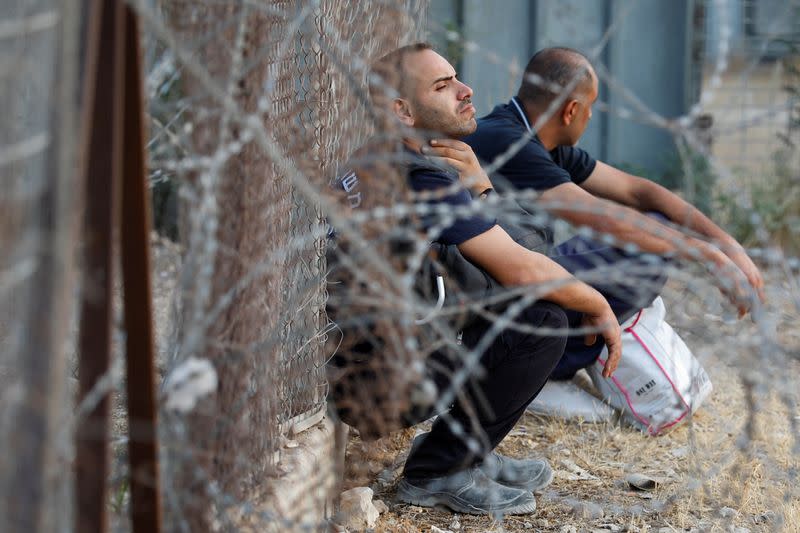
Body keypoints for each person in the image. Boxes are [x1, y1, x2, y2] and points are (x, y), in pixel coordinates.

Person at [326, 43, 622, 516]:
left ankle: (468, 450)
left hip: (371, 363)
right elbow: (526, 265)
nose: (465, 92)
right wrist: (598, 305)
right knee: (544, 315)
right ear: (402, 110)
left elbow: (529, 254)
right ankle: (439, 471)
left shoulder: (383, 160)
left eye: (456, 78)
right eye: (442, 87)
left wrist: (481, 186)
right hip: (381, 385)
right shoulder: (421, 180)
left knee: (513, 294)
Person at [463, 46, 765, 379]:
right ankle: (538, 373)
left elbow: (640, 192)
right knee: (645, 255)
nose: (590, 117)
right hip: (487, 292)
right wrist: (708, 256)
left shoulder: (540, 141)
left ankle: (548, 360)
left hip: (519, 272)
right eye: (590, 107)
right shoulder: (511, 141)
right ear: (571, 110)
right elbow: (597, 215)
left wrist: (727, 245)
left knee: (656, 228)